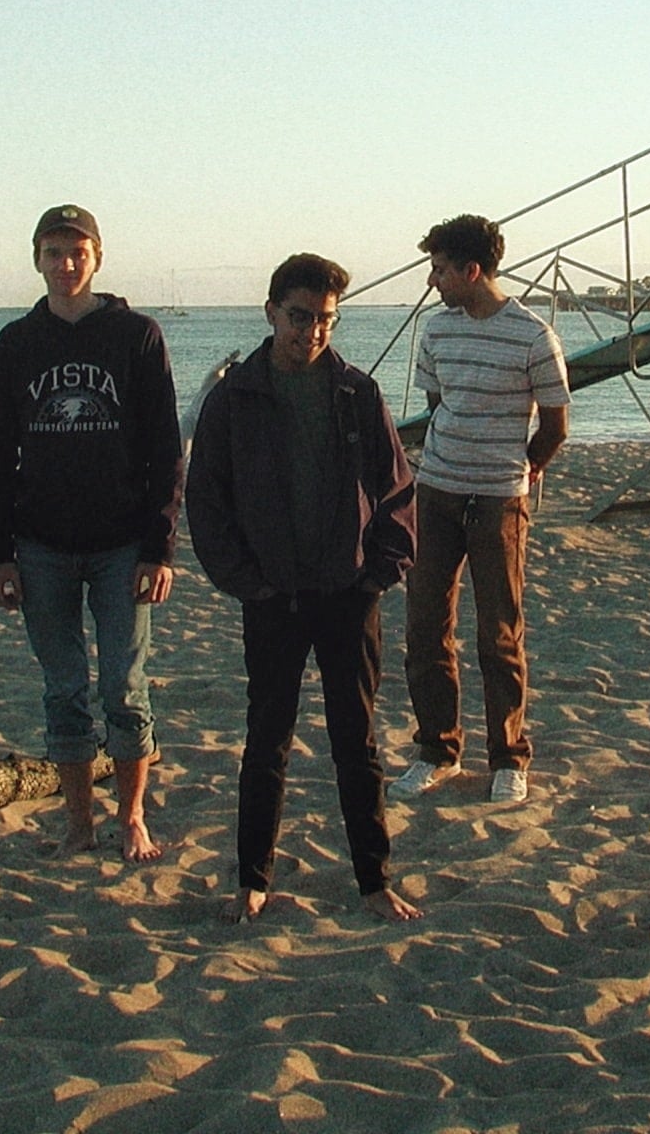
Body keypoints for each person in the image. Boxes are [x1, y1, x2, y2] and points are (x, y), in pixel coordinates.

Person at [186, 254, 422, 923]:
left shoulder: (355, 393)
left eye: (324, 320)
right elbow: (207, 500)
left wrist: (380, 571)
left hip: (348, 594)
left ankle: (374, 881)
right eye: (299, 317)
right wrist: (246, 583)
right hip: (272, 600)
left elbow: (398, 490)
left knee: (358, 743)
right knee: (267, 741)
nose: (311, 332)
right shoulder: (235, 399)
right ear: (270, 312)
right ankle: (252, 879)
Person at [0, 204, 184, 862]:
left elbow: (164, 450)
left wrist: (159, 547)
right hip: (41, 546)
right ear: (36, 258)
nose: (65, 265)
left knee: (124, 685)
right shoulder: (16, 343)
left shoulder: (136, 335)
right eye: (53, 252)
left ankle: (130, 819)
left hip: (122, 542)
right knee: (63, 689)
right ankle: (78, 825)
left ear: (97, 257)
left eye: (77, 252)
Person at [394, 214, 570, 806]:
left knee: (498, 633)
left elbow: (555, 424)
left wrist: (524, 468)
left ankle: (508, 757)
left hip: (499, 500)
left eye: (440, 269)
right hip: (436, 491)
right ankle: (437, 750)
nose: (432, 280)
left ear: (471, 270)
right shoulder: (437, 331)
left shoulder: (532, 335)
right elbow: (440, 402)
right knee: (425, 629)